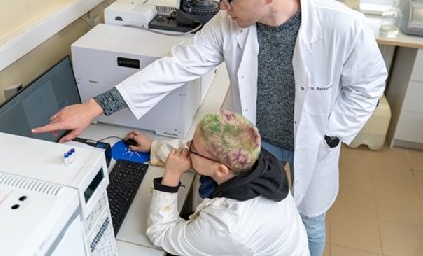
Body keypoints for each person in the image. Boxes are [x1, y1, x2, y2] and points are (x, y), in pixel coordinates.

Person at [33, 0, 387, 255]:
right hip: (250, 140)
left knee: (308, 217)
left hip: (311, 140)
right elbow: (175, 67)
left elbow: (369, 85)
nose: (222, 7)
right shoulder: (229, 24)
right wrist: (95, 107)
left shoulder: (341, 25)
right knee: (228, 209)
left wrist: (330, 131)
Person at [130, 109, 309, 256]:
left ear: (221, 170)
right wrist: (154, 147)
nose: (187, 147)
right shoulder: (251, 157)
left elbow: (161, 233)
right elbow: (206, 151)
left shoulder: (229, 225)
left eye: (193, 148)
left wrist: (170, 179)